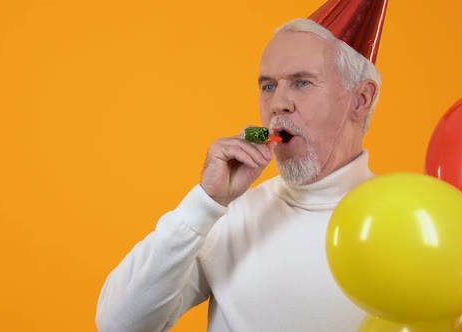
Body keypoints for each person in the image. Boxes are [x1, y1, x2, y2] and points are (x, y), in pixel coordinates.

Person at [96, 0, 388, 330]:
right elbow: (120, 324)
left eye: (302, 82)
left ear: (361, 99)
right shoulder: (228, 216)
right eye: (268, 86)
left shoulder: (404, 220)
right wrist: (205, 203)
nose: (278, 103)